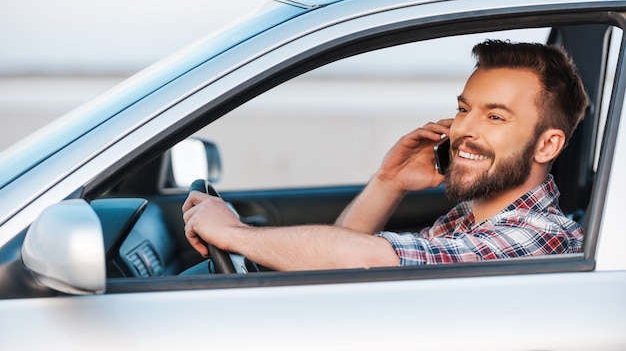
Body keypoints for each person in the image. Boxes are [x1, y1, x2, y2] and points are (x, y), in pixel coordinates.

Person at [182, 39, 588, 271]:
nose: (464, 129)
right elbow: (345, 274)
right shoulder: (468, 220)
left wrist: (235, 235)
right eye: (464, 109)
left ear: (546, 145)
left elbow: (365, 259)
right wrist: (388, 182)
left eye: (495, 116)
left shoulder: (538, 236)